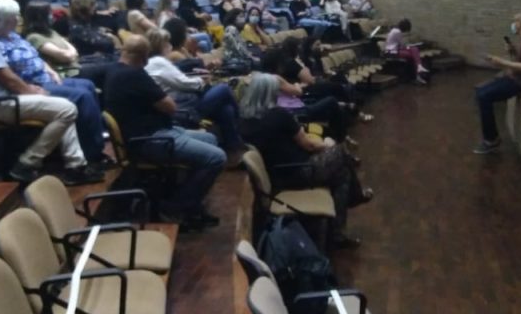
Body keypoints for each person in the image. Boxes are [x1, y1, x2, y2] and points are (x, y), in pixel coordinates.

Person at [0, 0, 91, 185]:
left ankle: (76, 166)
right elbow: (7, 77)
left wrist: (30, 90)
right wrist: (32, 91)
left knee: (63, 107)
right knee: (67, 109)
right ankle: (27, 162)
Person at [104, 35, 226, 230]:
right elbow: (170, 106)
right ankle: (176, 207)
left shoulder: (113, 71)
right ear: (144, 57)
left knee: (210, 138)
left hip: (146, 135)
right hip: (151, 140)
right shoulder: (135, 75)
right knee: (217, 157)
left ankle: (189, 200)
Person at [238, 73, 372, 247]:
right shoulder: (278, 115)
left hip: (278, 173)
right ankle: (355, 197)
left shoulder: (243, 121)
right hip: (299, 171)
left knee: (343, 174)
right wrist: (327, 144)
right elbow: (309, 145)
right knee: (340, 151)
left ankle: (338, 233)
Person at [0, 0, 105, 173]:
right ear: (6, 19)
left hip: (45, 77)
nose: (18, 20)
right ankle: (92, 152)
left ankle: (94, 140)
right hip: (32, 86)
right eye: (15, 17)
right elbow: (7, 73)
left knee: (87, 85)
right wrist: (30, 88)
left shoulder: (13, 36)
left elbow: (35, 57)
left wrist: (50, 71)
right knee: (82, 96)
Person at [145, 28, 243, 155]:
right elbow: (185, 84)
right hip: (183, 109)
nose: (170, 45)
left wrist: (197, 78)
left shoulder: (152, 62)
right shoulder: (158, 62)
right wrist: (203, 81)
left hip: (182, 103)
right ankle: (241, 125)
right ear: (160, 45)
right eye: (167, 42)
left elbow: (178, 79)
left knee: (226, 109)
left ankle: (233, 146)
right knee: (224, 89)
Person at [474, 12, 521, 154]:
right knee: (480, 92)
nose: (513, 24)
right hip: (519, 79)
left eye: (515, 21)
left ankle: (491, 140)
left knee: (484, 96)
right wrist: (513, 52)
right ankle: (491, 137)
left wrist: (501, 62)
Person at [384, 19, 429, 84]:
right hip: (392, 52)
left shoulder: (395, 30)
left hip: (396, 49)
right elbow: (402, 45)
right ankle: (416, 74)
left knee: (414, 49)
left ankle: (419, 68)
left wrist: (409, 47)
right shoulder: (397, 32)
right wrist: (408, 47)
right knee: (413, 55)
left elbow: (401, 45)